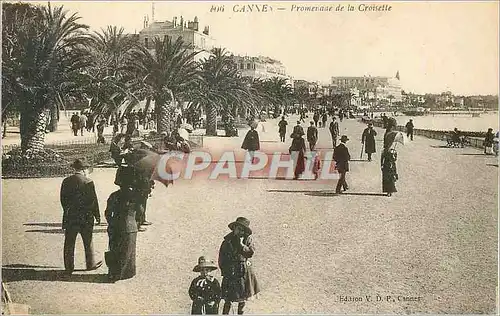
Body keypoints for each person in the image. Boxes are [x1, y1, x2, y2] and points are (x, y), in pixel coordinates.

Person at [60, 158, 102, 275]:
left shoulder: (66, 181)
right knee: (88, 241)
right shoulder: (88, 182)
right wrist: (97, 215)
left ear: (75, 168)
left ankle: (69, 267)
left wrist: (67, 210)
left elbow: (63, 199)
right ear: (84, 169)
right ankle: (90, 264)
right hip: (86, 216)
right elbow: (93, 200)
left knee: (69, 241)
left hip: (71, 215)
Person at [105, 166, 140, 282]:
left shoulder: (114, 195)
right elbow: (141, 211)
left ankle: (114, 272)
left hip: (117, 225)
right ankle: (128, 272)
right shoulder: (135, 196)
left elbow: (108, 213)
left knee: (115, 249)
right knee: (129, 251)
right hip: (131, 226)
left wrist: (111, 223)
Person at [218, 217, 260, 315]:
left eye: (242, 229)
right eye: (238, 228)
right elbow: (221, 258)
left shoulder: (247, 240)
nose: (239, 231)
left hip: (242, 272)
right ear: (234, 228)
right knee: (228, 299)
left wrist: (241, 245)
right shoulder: (227, 241)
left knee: (242, 298)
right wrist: (224, 271)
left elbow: (250, 253)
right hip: (230, 272)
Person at [382, 118, 399, 197]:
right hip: (388, 154)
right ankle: (390, 190)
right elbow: (388, 145)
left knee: (387, 173)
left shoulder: (387, 133)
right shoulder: (390, 134)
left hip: (386, 153)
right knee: (390, 172)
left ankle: (388, 190)